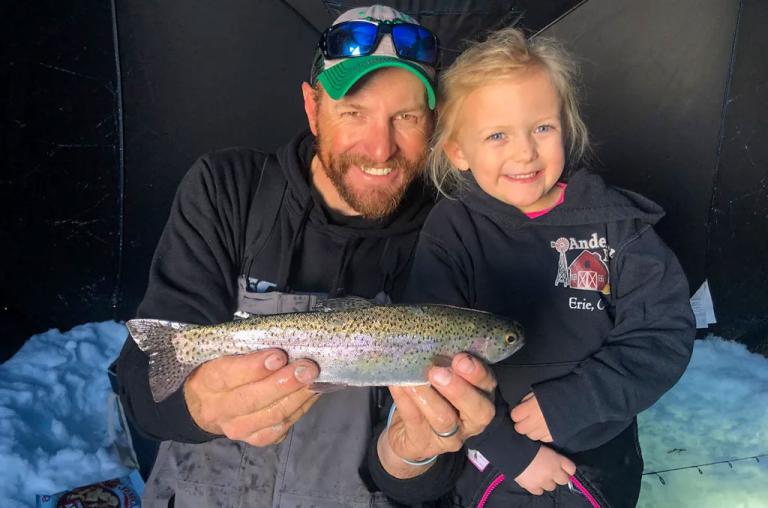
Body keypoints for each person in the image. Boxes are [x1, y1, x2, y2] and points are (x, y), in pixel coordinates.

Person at [115, 5, 502, 507]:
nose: (380, 149)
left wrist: (412, 456)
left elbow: (429, 481)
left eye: (405, 117)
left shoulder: (454, 234)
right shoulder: (228, 190)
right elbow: (143, 384)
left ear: (432, 123)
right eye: (353, 112)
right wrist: (197, 404)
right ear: (311, 107)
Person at [371, 27, 696, 507]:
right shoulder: (452, 229)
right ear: (459, 151)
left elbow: (664, 335)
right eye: (497, 135)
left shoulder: (617, 224)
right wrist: (509, 449)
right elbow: (432, 359)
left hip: (601, 462)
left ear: (565, 127)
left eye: (541, 128)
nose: (524, 152)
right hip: (492, 465)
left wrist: (574, 403)